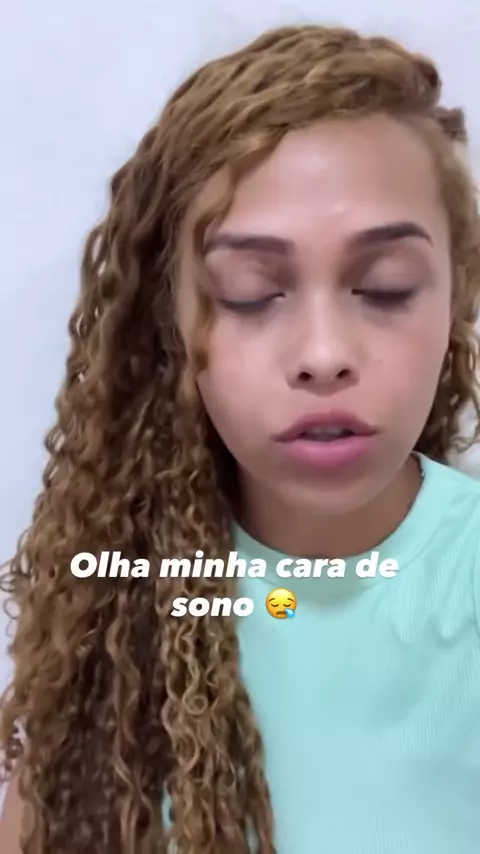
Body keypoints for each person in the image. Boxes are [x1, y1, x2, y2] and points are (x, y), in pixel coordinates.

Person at [1, 21, 480, 854]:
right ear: (173, 323)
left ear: (456, 296)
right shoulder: (126, 599)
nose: (324, 355)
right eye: (253, 293)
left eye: (385, 287)